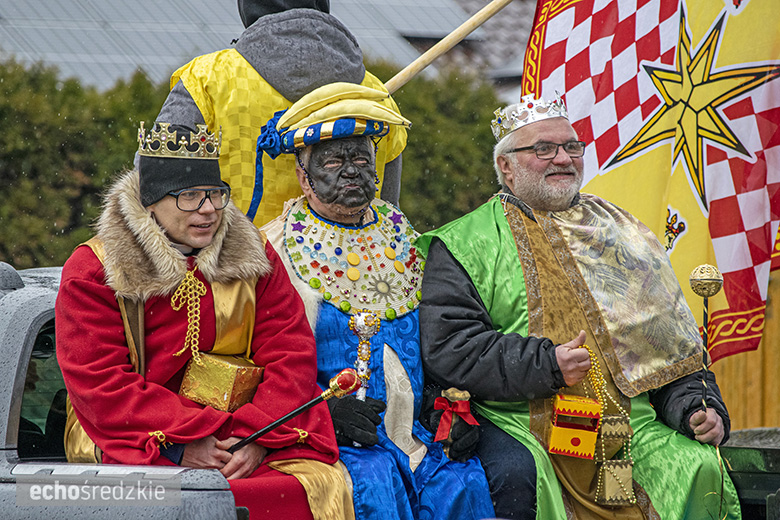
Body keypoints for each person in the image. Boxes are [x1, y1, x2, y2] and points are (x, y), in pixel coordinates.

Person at [416, 94, 741, 519]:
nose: (563, 159)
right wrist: (546, 364)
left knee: (699, 466)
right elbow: (448, 348)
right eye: (543, 149)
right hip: (522, 419)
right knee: (519, 479)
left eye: (572, 147)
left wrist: (697, 407)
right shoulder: (462, 242)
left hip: (627, 425)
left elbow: (671, 351)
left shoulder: (624, 234)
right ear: (506, 167)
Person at [55, 122, 353, 519]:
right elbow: (100, 383)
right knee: (185, 502)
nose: (209, 209)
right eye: (189, 196)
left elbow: (291, 351)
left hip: (248, 431)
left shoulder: (255, 254)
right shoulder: (96, 269)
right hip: (134, 434)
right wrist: (184, 443)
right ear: (150, 202)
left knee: (315, 484)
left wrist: (255, 436)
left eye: (215, 194)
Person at [260, 82, 496, 520]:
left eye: (362, 160)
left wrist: (451, 402)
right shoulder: (274, 249)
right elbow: (262, 361)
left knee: (463, 481)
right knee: (374, 484)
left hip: (417, 433)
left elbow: (443, 332)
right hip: (331, 436)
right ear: (302, 174)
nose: (352, 172)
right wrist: (322, 412)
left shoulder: (403, 232)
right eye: (334, 160)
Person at [155, 0, 406, 228]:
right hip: (353, 272)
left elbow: (154, 186)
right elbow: (388, 215)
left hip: (234, 275)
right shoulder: (376, 95)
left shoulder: (208, 80)